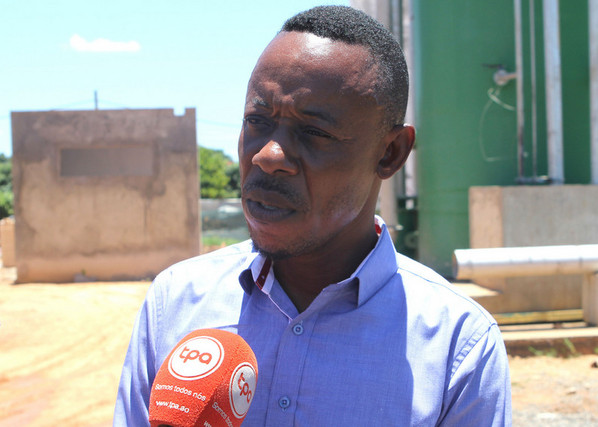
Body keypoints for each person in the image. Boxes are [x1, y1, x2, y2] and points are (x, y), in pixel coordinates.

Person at [114, 5, 511, 426]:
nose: (268, 155)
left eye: (315, 132)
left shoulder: (459, 345)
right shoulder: (175, 302)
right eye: (257, 120)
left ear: (390, 153)